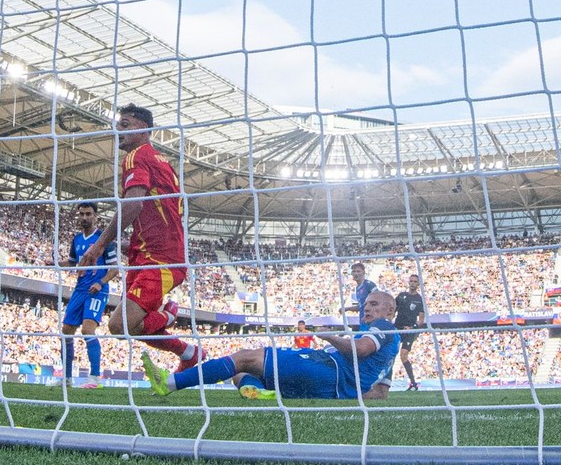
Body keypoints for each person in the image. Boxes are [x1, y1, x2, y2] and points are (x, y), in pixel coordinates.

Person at [79, 103, 200, 371]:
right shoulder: (162, 162)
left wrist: (99, 245)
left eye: (124, 125)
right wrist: (127, 243)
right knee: (129, 327)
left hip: (159, 260)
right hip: (148, 254)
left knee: (120, 326)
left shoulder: (136, 157)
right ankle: (189, 352)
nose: (118, 131)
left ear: (143, 129)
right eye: (117, 126)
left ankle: (168, 316)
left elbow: (133, 205)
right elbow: (157, 214)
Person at [143, 290, 401, 401]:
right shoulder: (391, 346)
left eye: (375, 304)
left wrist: (330, 336)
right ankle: (253, 390)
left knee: (245, 358)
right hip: (325, 387)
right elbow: (380, 393)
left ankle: (169, 383)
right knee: (240, 374)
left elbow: (360, 350)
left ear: (390, 310)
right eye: (366, 303)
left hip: (323, 366)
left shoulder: (384, 328)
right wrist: (343, 394)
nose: (367, 307)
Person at [59, 201, 118, 389]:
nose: (85, 217)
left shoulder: (103, 239)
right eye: (82, 214)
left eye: (88, 214)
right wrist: (52, 263)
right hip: (80, 289)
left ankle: (94, 377)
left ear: (95, 216)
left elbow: (114, 269)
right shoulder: (76, 239)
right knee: (66, 331)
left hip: (97, 291)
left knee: (87, 330)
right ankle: (66, 379)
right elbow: (72, 262)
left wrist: (100, 283)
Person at [395, 274, 427, 390]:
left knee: (403, 355)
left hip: (410, 330)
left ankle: (413, 383)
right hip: (397, 328)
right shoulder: (401, 296)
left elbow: (421, 320)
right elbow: (393, 310)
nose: (412, 283)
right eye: (411, 281)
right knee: (390, 353)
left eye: (415, 281)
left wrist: (412, 327)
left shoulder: (419, 300)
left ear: (418, 284)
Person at [344, 262, 378, 329]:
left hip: (371, 322)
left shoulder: (369, 285)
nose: (356, 273)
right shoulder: (357, 288)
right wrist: (346, 309)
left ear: (363, 272)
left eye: (358, 271)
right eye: (354, 271)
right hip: (363, 321)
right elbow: (361, 306)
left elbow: (379, 300)